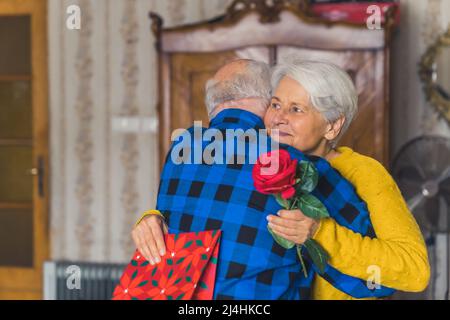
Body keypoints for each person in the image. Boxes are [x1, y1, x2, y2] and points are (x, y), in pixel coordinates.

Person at [132, 59, 429, 299]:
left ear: (332, 125)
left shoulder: (364, 173)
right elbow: (217, 223)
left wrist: (319, 232)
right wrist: (153, 217)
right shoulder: (266, 162)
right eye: (274, 104)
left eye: (296, 109)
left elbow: (411, 271)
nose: (278, 118)